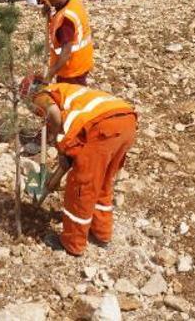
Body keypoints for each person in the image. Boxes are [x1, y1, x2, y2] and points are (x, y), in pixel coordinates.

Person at [19, 74, 137, 256]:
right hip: (126, 121)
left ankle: (72, 243)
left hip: (102, 128)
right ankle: (101, 233)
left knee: (81, 187)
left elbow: (54, 115)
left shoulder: (41, 95)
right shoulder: (65, 90)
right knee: (103, 182)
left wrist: (59, 144)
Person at [42, 0, 94, 85]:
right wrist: (50, 13)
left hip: (71, 70)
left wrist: (49, 76)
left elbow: (66, 52)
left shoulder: (66, 20)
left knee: (70, 101)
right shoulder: (74, 2)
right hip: (82, 63)